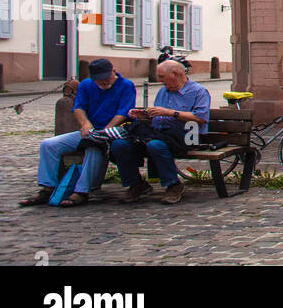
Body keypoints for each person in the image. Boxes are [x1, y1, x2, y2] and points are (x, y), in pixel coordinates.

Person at [20, 58, 136, 209]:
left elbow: (123, 113)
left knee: (94, 146)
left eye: (105, 78)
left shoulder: (126, 85)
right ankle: (47, 188)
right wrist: (85, 124)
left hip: (112, 132)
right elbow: (78, 107)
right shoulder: (86, 85)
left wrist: (105, 130)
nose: (102, 82)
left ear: (113, 72)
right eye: (98, 80)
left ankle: (81, 191)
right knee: (48, 145)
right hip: (90, 131)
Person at [109, 60, 211, 205]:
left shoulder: (198, 91)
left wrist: (171, 113)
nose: (159, 80)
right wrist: (144, 115)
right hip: (159, 133)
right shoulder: (163, 91)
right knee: (119, 144)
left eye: (162, 76)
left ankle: (173, 185)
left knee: (155, 145)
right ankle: (136, 184)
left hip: (187, 135)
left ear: (175, 74)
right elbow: (159, 115)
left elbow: (200, 117)